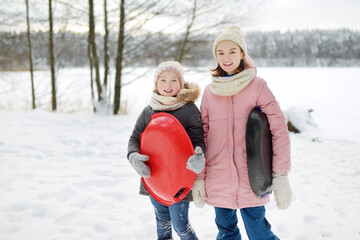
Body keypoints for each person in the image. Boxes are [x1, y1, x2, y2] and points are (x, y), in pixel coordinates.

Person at [191, 26, 292, 240]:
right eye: (221, 52)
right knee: (226, 232)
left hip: (252, 177)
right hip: (218, 176)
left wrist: (280, 176)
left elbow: (279, 130)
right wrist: (199, 178)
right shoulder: (209, 92)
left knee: (259, 233)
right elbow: (202, 137)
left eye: (232, 51)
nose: (226, 58)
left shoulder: (258, 86)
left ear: (243, 54)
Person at [127, 61, 206, 240]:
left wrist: (199, 156)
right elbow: (134, 138)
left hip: (179, 180)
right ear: (156, 84)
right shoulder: (149, 111)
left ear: (181, 83)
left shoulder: (189, 110)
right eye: (163, 80)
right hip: (154, 177)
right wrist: (133, 156)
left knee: (181, 226)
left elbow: (198, 139)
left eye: (173, 80)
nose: (168, 85)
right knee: (161, 222)